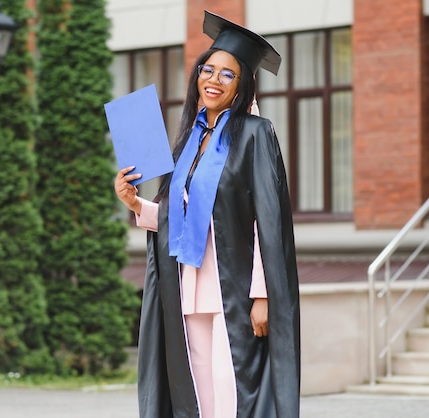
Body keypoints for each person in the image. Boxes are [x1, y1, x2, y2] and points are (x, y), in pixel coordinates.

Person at [114, 10, 300, 418]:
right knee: (196, 391)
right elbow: (176, 214)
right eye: (208, 70)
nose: (213, 80)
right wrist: (134, 204)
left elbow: (266, 223)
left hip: (232, 286)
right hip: (188, 284)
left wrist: (263, 295)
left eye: (226, 75)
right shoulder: (189, 140)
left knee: (233, 385)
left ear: (242, 86)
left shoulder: (256, 134)